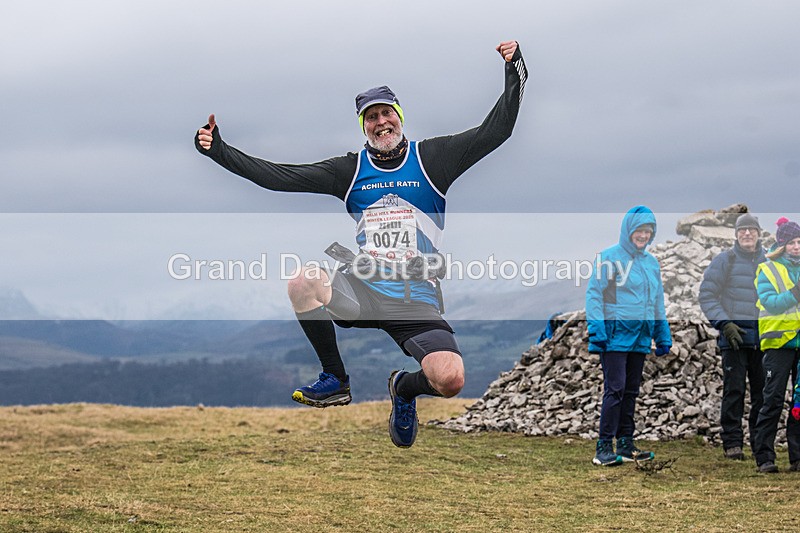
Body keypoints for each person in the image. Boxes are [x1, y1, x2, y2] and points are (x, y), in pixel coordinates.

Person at [195, 41, 527, 448]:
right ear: (363, 126)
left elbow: (497, 130)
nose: (380, 122)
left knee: (450, 379)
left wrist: (514, 69)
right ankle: (335, 378)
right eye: (371, 117)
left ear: (399, 116)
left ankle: (403, 388)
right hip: (363, 289)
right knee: (303, 281)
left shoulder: (434, 159)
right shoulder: (349, 171)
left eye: (387, 113)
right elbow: (278, 177)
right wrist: (220, 152)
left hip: (414, 299)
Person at [585, 206, 672, 466]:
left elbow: (657, 302)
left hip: (640, 337)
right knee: (616, 389)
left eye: (648, 231)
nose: (643, 235)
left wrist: (662, 335)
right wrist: (597, 330)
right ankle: (603, 447)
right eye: (639, 230)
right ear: (628, 230)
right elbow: (594, 294)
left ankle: (625, 443)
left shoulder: (651, 263)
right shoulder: (610, 258)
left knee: (631, 391)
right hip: (614, 336)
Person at [698, 213, 766, 460]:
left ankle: (760, 443)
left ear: (759, 234)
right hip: (734, 340)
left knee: (763, 394)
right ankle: (732, 443)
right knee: (734, 391)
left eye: (751, 229)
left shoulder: (770, 262)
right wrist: (725, 324)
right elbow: (707, 295)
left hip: (765, 340)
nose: (747, 234)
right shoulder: (725, 261)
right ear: (736, 235)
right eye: (742, 230)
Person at [752, 217, 800, 473]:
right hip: (778, 342)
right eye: (791, 242)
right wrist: (795, 293)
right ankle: (764, 457)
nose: (797, 247)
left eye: (799, 242)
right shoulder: (767, 269)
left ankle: (797, 457)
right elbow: (770, 302)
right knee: (773, 399)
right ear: (782, 245)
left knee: (799, 403)